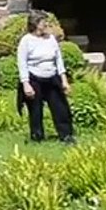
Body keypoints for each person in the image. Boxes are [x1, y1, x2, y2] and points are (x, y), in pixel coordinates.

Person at [17, 11, 76, 145]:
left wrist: (64, 80)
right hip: (34, 78)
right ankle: (37, 136)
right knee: (36, 109)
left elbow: (58, 60)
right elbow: (22, 63)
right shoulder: (26, 41)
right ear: (36, 24)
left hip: (51, 76)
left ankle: (66, 135)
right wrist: (26, 83)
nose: (46, 24)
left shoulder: (51, 39)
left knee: (60, 107)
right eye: (44, 22)